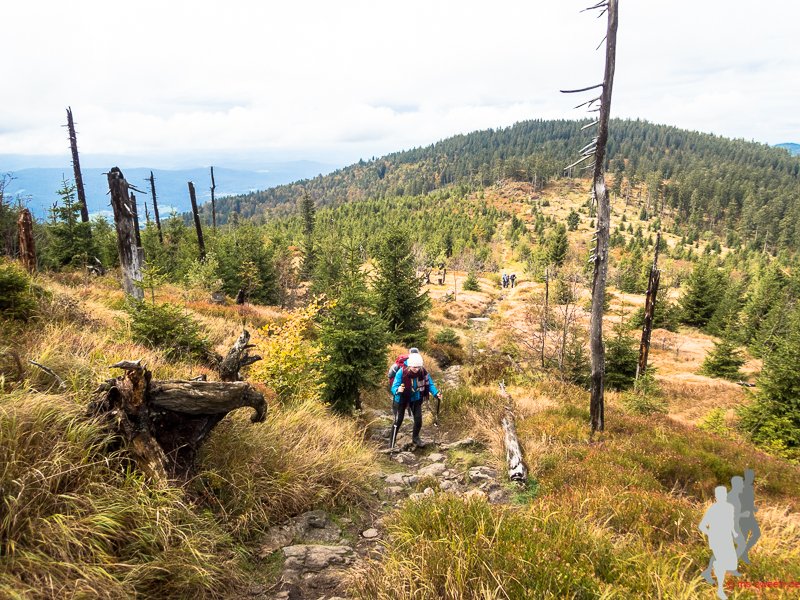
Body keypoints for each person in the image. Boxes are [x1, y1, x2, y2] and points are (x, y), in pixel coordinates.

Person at [389, 352, 441, 449]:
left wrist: (436, 393)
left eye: (418, 367)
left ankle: (415, 438)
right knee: (398, 421)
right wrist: (398, 389)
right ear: (409, 365)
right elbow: (394, 387)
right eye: (414, 367)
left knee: (418, 420)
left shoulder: (423, 372)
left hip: (416, 398)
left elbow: (429, 384)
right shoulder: (401, 372)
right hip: (401, 398)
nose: (416, 369)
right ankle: (391, 443)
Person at [699, 486, 740, 600]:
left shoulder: (729, 507)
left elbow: (730, 523)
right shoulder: (713, 509)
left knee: (732, 563)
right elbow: (702, 526)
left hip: (727, 538)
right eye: (720, 495)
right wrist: (711, 533)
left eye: (724, 494)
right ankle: (720, 590)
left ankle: (711, 573)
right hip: (717, 539)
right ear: (716, 497)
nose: (723, 497)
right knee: (722, 562)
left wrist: (734, 533)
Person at [738, 469, 760, 564]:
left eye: (752, 476)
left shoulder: (750, 488)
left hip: (750, 515)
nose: (751, 478)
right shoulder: (742, 487)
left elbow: (748, 502)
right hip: (744, 516)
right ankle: (740, 556)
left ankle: (744, 553)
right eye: (750, 476)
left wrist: (753, 508)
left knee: (756, 534)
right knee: (744, 536)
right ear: (746, 477)